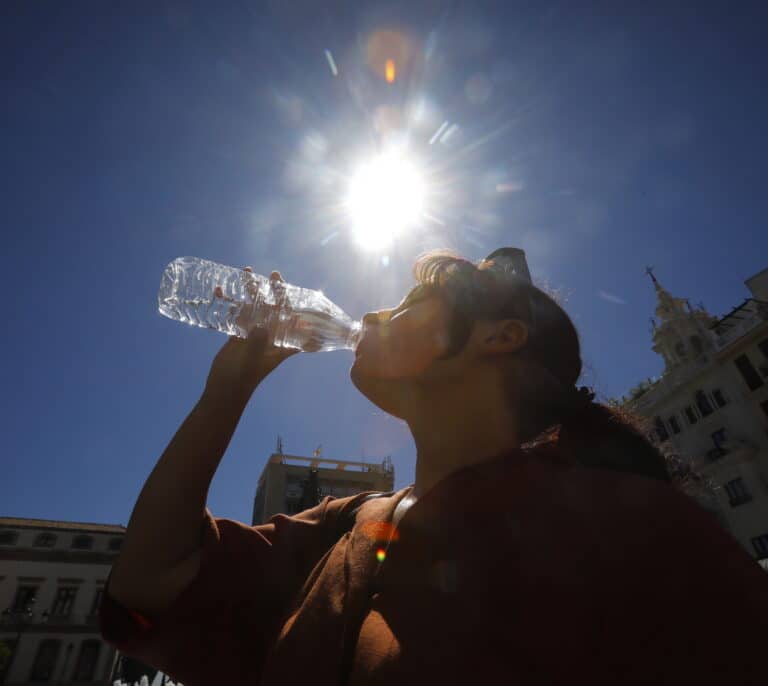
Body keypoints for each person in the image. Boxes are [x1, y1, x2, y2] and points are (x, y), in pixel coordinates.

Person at [100, 249, 768, 685]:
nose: (367, 314)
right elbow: (150, 580)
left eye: (404, 304)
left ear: (497, 336)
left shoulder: (638, 532)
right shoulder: (349, 525)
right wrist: (227, 391)